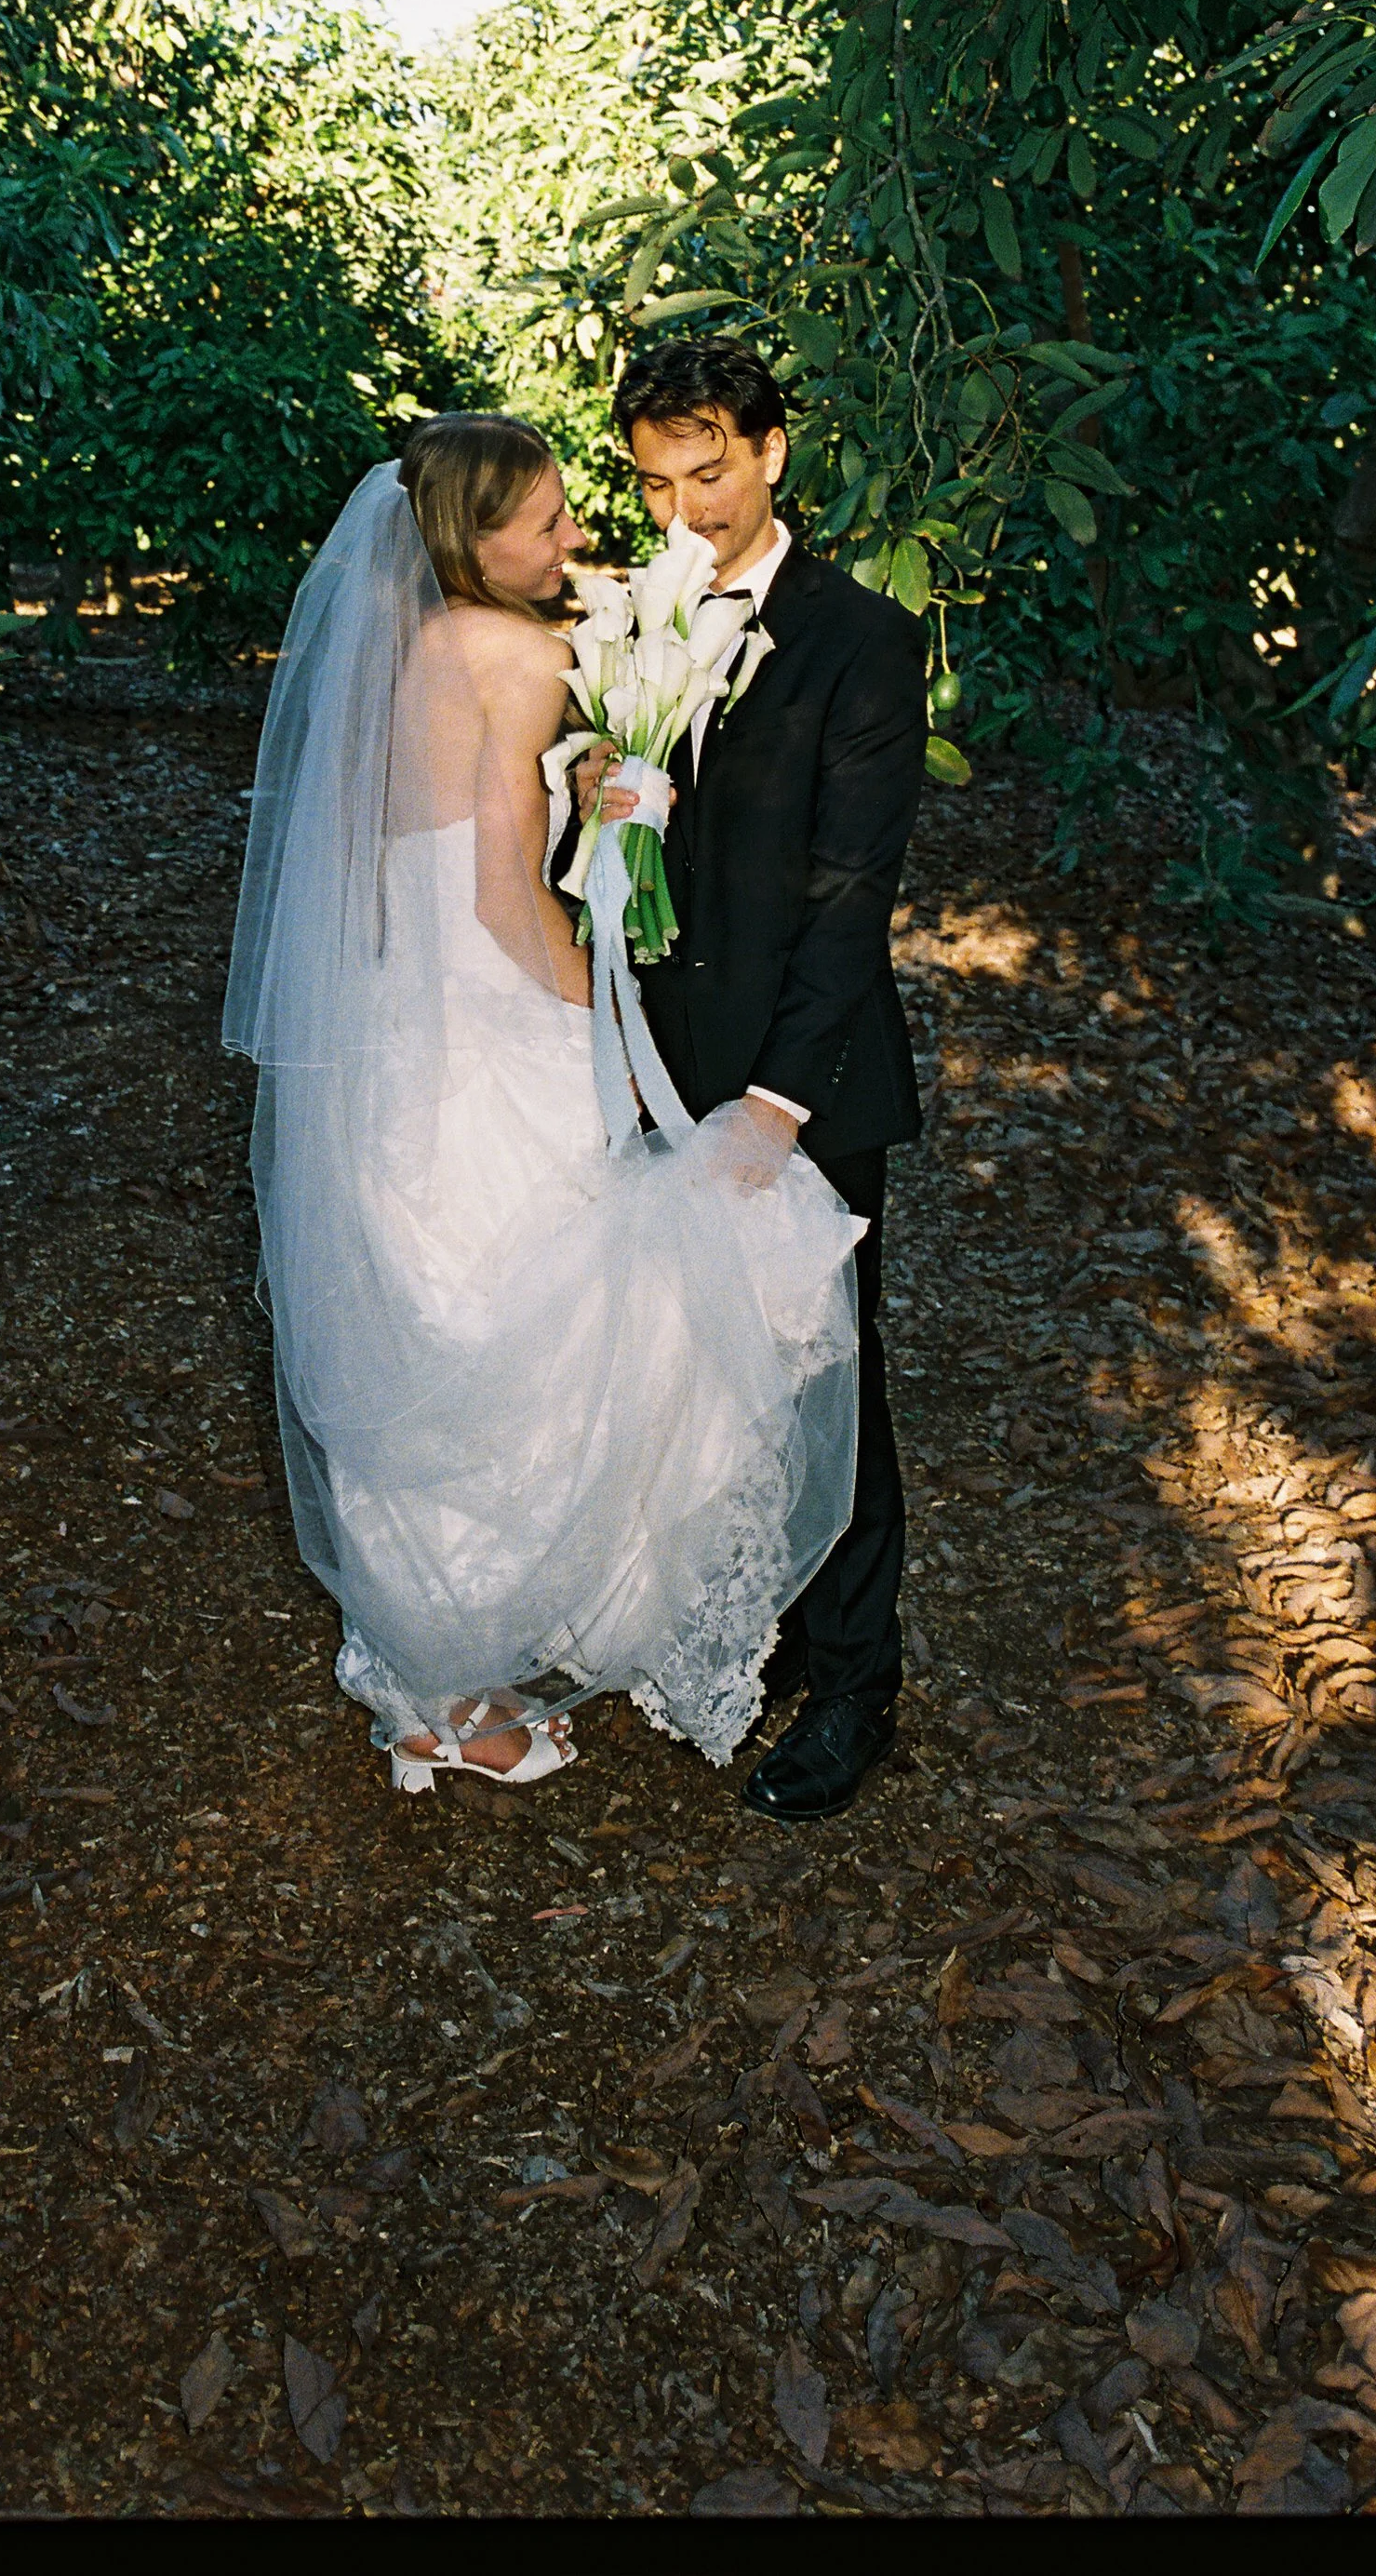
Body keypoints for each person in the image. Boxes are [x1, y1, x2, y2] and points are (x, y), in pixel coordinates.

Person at [222, 412, 865, 1795]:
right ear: (472, 536)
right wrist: (609, 1022)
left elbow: (432, 828)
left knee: (425, 1334)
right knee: (517, 1335)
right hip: (494, 1018)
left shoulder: (397, 652)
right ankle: (453, 1692)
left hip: (400, 1030)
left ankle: (423, 1663)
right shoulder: (516, 653)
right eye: (550, 520)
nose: (577, 538)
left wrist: (582, 777)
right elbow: (505, 894)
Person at [580, 340, 926, 1822]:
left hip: (805, 1087)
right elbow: (616, 836)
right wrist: (593, 785)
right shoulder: (629, 611)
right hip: (650, 1065)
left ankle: (856, 1682)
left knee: (827, 1379)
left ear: (776, 451)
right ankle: (747, 1626)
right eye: (656, 479)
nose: (684, 506)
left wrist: (777, 1108)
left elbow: (854, 895)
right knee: (684, 1369)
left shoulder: (860, 637)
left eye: (708, 470)